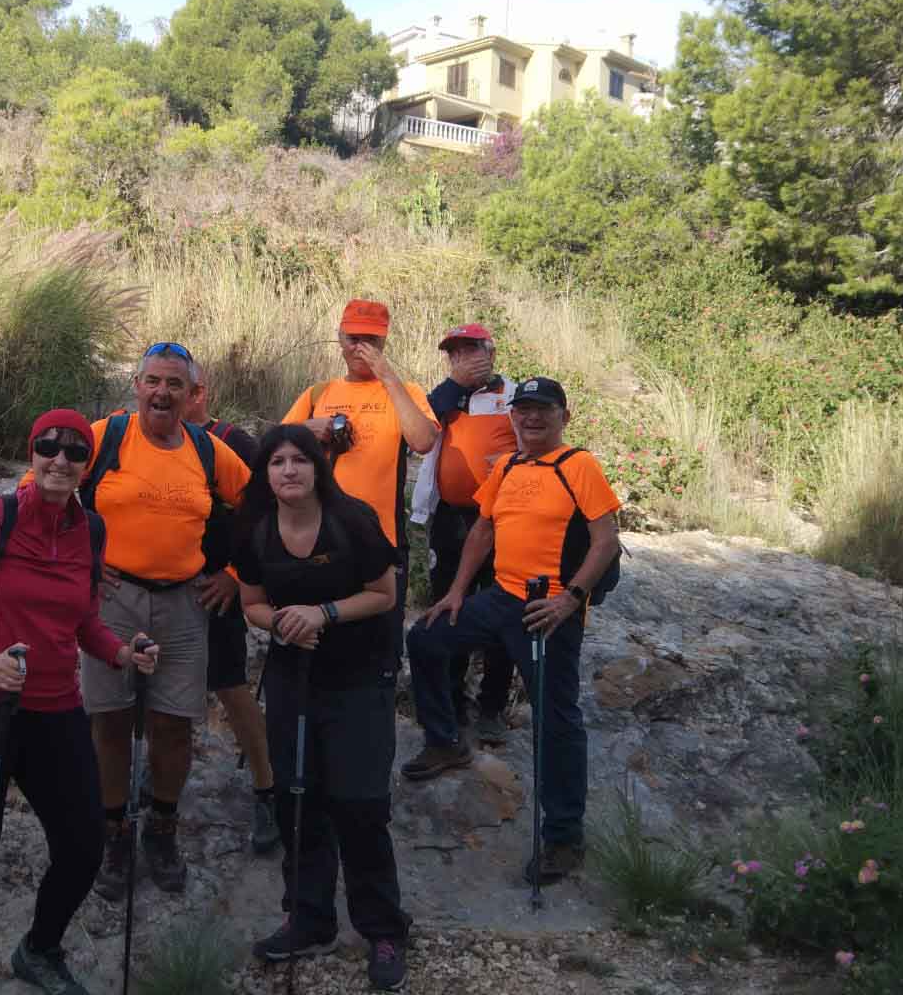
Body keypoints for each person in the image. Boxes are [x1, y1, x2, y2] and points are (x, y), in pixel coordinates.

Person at [0, 409, 160, 995]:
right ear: (31, 454)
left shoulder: (92, 531)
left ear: (87, 465)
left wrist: (122, 653)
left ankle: (39, 948)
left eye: (76, 451)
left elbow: (83, 621)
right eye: (48, 447)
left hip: (54, 707)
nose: (61, 459)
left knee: (83, 844)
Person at [403, 377, 621, 885]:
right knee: (426, 638)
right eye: (523, 409)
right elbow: (483, 529)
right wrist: (457, 592)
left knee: (556, 719)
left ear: (564, 416)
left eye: (544, 409)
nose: (531, 418)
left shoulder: (579, 466)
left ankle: (563, 837)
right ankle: (445, 740)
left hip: (548, 608)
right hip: (500, 597)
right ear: (513, 416)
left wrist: (570, 599)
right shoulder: (507, 466)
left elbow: (605, 541)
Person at [235, 424, 410, 991]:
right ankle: (309, 919)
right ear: (265, 473)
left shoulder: (352, 519)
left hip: (359, 679)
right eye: (277, 462)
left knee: (360, 804)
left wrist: (323, 613)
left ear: (318, 467)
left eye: (299, 460)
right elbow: (252, 603)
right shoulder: (257, 530)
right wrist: (283, 623)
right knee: (297, 799)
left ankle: (382, 929)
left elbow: (385, 593)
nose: (288, 470)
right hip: (294, 679)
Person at [80, 342, 252, 899]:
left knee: (174, 723)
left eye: (174, 384)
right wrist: (80, 565)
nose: (162, 392)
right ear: (136, 386)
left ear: (191, 393)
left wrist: (235, 573)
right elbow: (43, 489)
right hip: (114, 598)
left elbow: (261, 502)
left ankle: (162, 825)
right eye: (153, 381)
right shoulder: (105, 436)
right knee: (109, 719)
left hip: (184, 603)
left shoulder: (206, 449)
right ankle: (112, 832)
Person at [283, 299, 439, 662]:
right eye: (354, 339)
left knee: (379, 649)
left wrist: (388, 378)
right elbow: (274, 448)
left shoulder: (406, 391)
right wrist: (308, 429)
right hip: (317, 539)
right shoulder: (319, 393)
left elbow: (423, 441)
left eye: (372, 340)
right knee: (316, 645)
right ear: (339, 338)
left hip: (380, 541)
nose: (361, 349)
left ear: (384, 342)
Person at [407, 323, 520, 744]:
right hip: (450, 519)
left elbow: (539, 442)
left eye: (471, 350)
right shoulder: (443, 398)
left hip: (504, 519)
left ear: (491, 353)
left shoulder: (514, 395)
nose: (463, 359)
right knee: (446, 605)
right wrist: (455, 385)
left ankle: (491, 705)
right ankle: (450, 702)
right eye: (455, 353)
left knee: (503, 608)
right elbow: (416, 433)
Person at [187, 361, 278, 854]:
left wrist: (237, 576)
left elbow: (270, 511)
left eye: (183, 387)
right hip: (162, 588)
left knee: (230, 686)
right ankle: (154, 777)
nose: (172, 397)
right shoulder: (145, 439)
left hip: (216, 586)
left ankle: (267, 788)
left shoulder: (232, 442)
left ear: (201, 391)